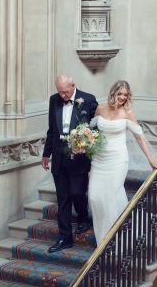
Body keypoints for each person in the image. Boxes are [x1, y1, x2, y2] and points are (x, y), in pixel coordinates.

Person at [88, 80, 157, 246]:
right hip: (99, 160)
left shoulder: (128, 112)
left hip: (117, 160)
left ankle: (114, 240)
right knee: (94, 197)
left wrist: (150, 158)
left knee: (112, 197)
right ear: (113, 93)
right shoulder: (100, 108)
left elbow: (139, 137)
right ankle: (104, 238)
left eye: (125, 95)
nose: (122, 97)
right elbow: (92, 131)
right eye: (120, 93)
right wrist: (83, 142)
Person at [42, 74, 98, 252]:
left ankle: (83, 218)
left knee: (77, 193)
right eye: (60, 93)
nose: (62, 96)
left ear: (73, 86)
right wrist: (46, 154)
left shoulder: (88, 100)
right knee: (63, 198)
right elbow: (51, 129)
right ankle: (64, 237)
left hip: (79, 157)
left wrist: (87, 144)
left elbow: (95, 129)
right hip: (59, 157)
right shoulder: (54, 100)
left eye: (65, 93)